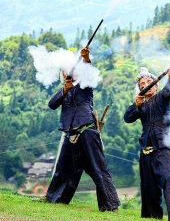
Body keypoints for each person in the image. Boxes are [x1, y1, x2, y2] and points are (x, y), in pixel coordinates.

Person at [44, 47, 121, 212]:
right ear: (63, 74)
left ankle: (110, 206)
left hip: (87, 131)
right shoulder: (64, 90)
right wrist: (65, 90)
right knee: (63, 168)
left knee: (98, 168)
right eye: (65, 70)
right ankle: (54, 199)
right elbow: (52, 104)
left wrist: (86, 59)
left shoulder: (85, 85)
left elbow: (88, 72)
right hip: (70, 134)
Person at [123, 67, 170, 221]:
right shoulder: (140, 104)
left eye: (149, 82)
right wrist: (137, 105)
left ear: (156, 86)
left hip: (162, 146)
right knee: (148, 186)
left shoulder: (161, 97)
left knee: (166, 179)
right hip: (145, 148)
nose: (146, 85)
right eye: (142, 84)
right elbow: (127, 118)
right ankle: (152, 218)